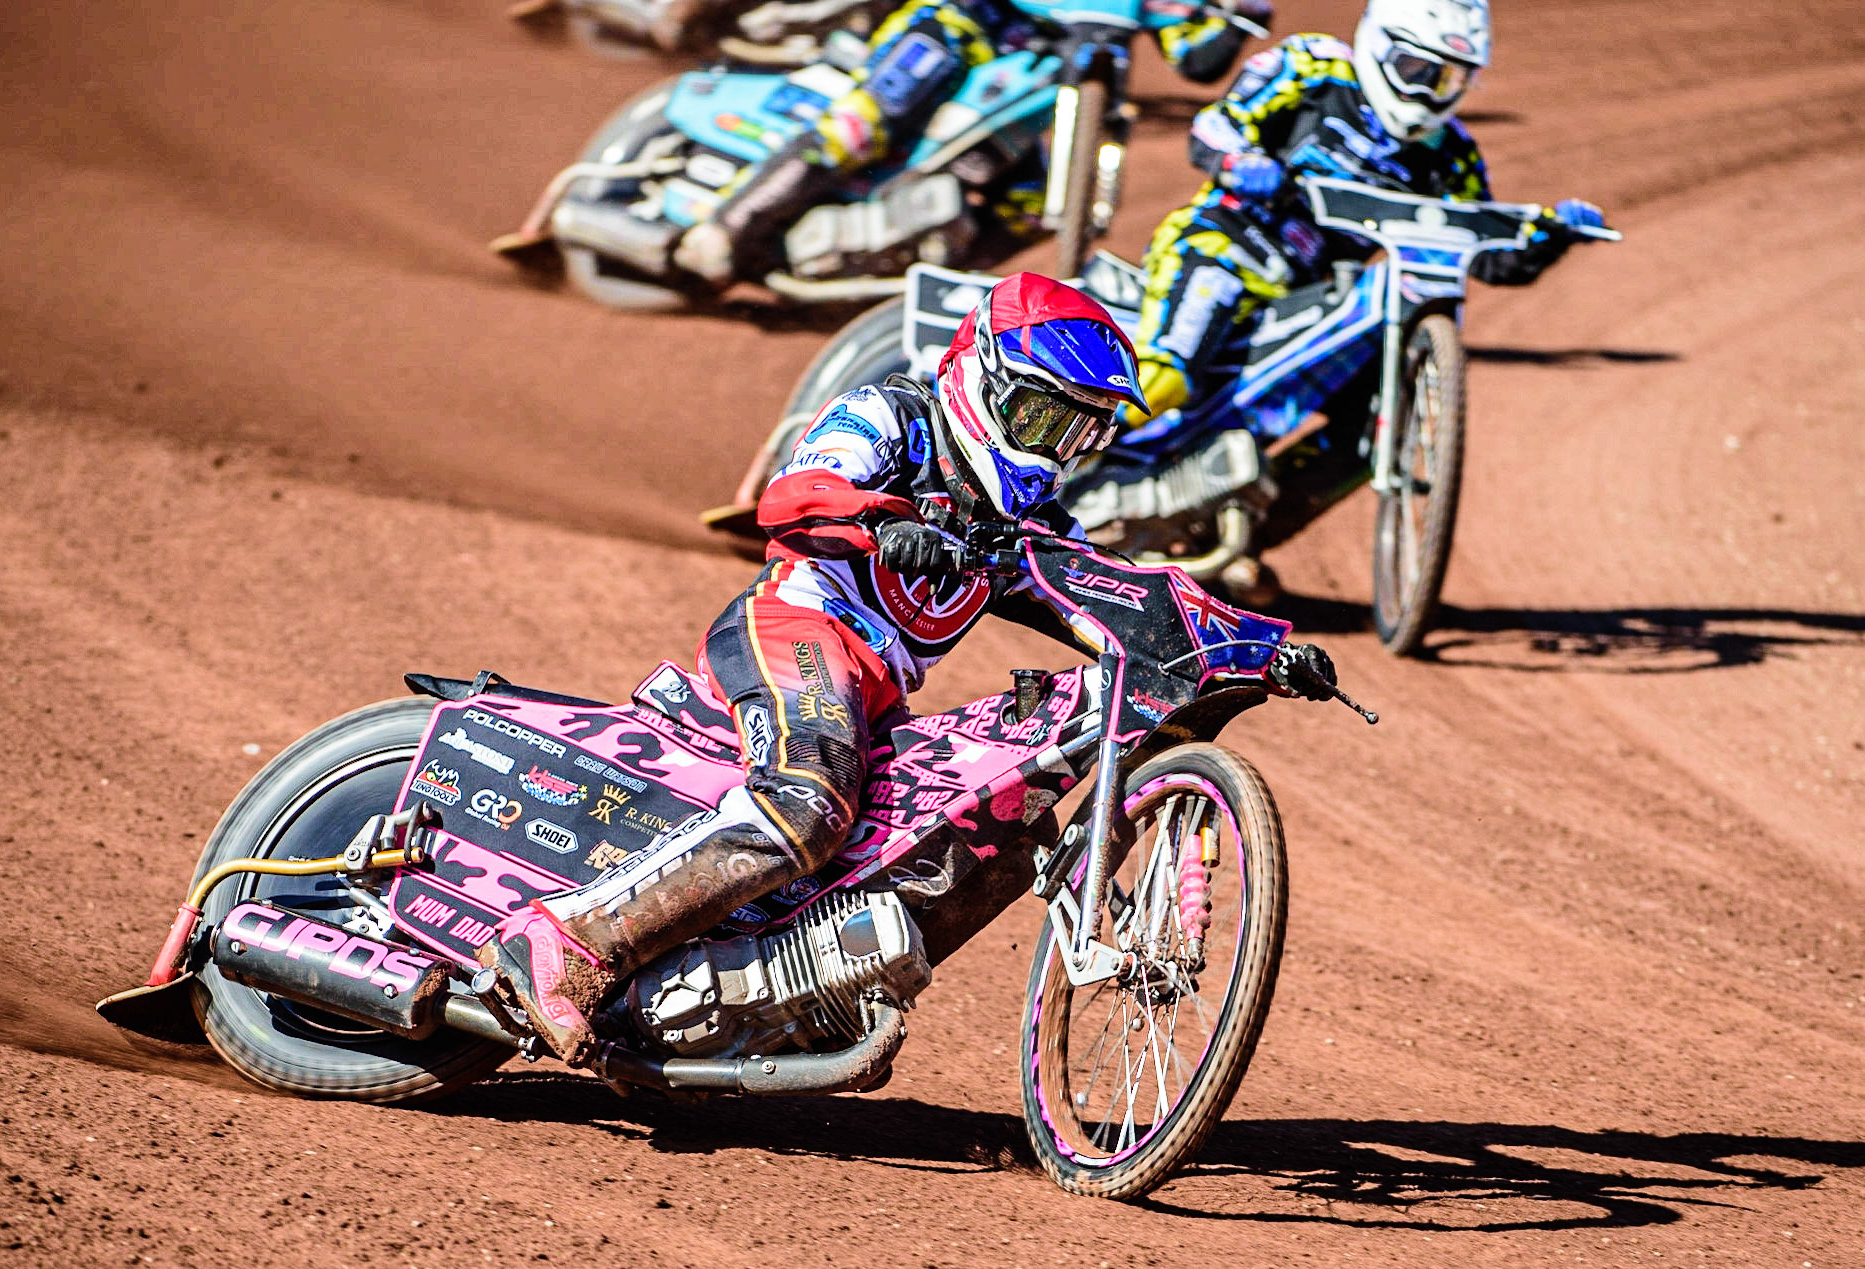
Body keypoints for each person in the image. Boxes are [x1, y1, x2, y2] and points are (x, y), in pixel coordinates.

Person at [479, 273, 1333, 1063]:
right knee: (809, 800)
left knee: (997, 824)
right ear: (988, 380)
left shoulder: (1027, 522)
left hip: (874, 692)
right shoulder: (897, 416)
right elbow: (791, 494)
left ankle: (774, 1002)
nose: (1056, 449)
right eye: (1045, 418)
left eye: (1079, 432)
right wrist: (881, 522)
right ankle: (565, 938)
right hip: (796, 626)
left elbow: (1126, 596)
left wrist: (1260, 647)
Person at [1123, 0, 1604, 594]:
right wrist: (1239, 161)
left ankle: (1224, 540)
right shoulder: (1312, 66)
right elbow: (1215, 126)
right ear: (1380, 46)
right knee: (1167, 375)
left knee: (1370, 430)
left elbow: (1487, 254)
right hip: (1223, 246)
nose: (1430, 91)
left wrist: (1547, 237)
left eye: (1451, 77)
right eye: (1417, 69)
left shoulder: (1450, 152)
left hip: (1319, 296)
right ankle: (1035, 475)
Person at [673, 0, 1276, 286]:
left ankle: (916, 276)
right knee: (868, 121)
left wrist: (1242, 12)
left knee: (1031, 206)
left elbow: (1197, 60)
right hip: (967, 23)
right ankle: (727, 224)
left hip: (1049, 81)